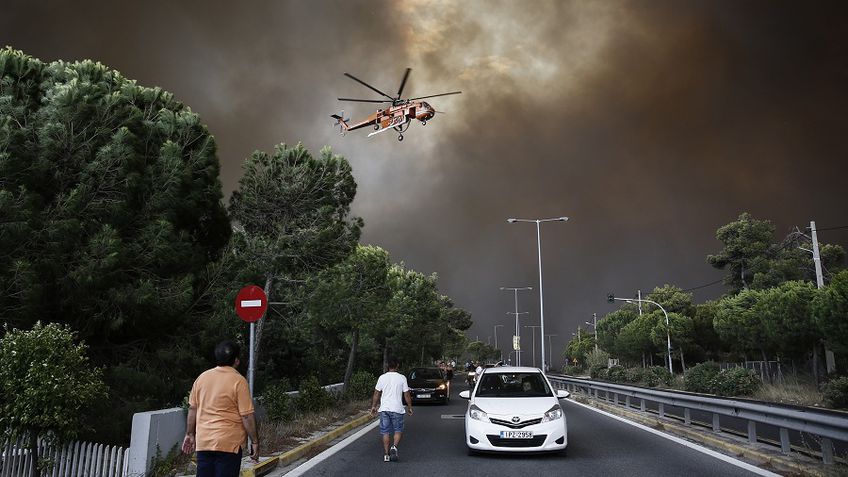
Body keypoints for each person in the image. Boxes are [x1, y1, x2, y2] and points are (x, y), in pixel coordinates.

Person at [182, 340, 259, 477]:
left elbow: (193, 409)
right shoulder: (239, 381)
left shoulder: (202, 378)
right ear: (236, 361)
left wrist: (189, 434)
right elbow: (246, 416)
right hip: (229, 445)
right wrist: (254, 441)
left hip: (204, 443)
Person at [370, 357, 413, 462]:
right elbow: (406, 394)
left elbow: (376, 393)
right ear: (397, 365)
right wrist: (409, 407)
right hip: (397, 409)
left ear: (387, 366)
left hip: (384, 409)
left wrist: (374, 406)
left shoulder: (382, 378)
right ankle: (394, 447)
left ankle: (386, 454)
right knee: (398, 430)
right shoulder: (402, 378)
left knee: (385, 432)